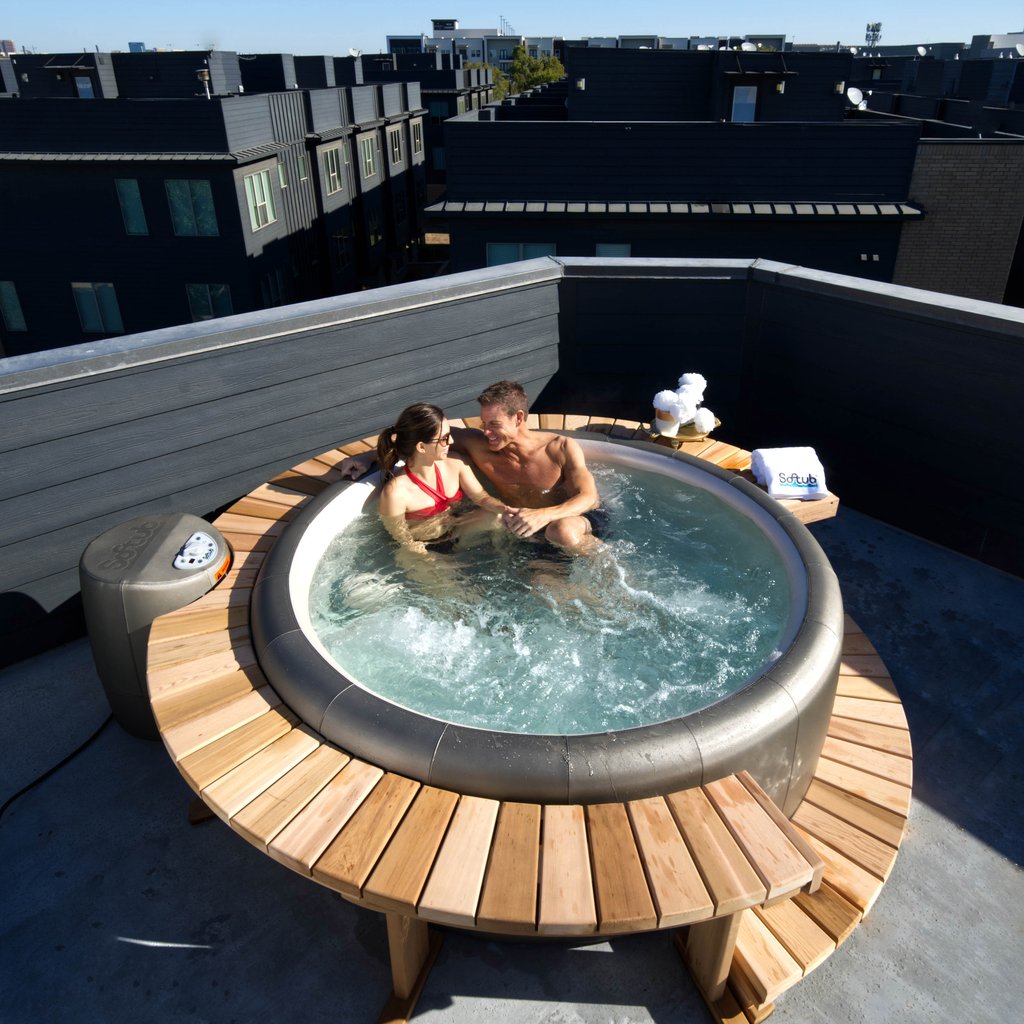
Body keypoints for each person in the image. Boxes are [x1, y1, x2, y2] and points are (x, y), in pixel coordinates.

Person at [344, 382, 603, 554]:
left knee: (563, 531)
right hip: (529, 532)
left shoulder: (560, 448)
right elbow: (417, 438)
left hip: (573, 523)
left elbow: (590, 498)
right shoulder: (478, 445)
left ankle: (618, 579)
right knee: (545, 589)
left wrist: (544, 515)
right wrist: (370, 457)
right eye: (483, 422)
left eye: (493, 424)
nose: (485, 431)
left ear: (519, 418)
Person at [375, 402, 505, 555]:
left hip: (456, 531)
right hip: (425, 547)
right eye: (444, 438)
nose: (451, 442)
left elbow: (482, 498)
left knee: (499, 517)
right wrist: (431, 562)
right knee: (452, 579)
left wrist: (509, 510)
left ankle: (502, 555)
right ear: (421, 447)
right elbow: (403, 541)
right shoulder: (395, 493)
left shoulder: (455, 463)